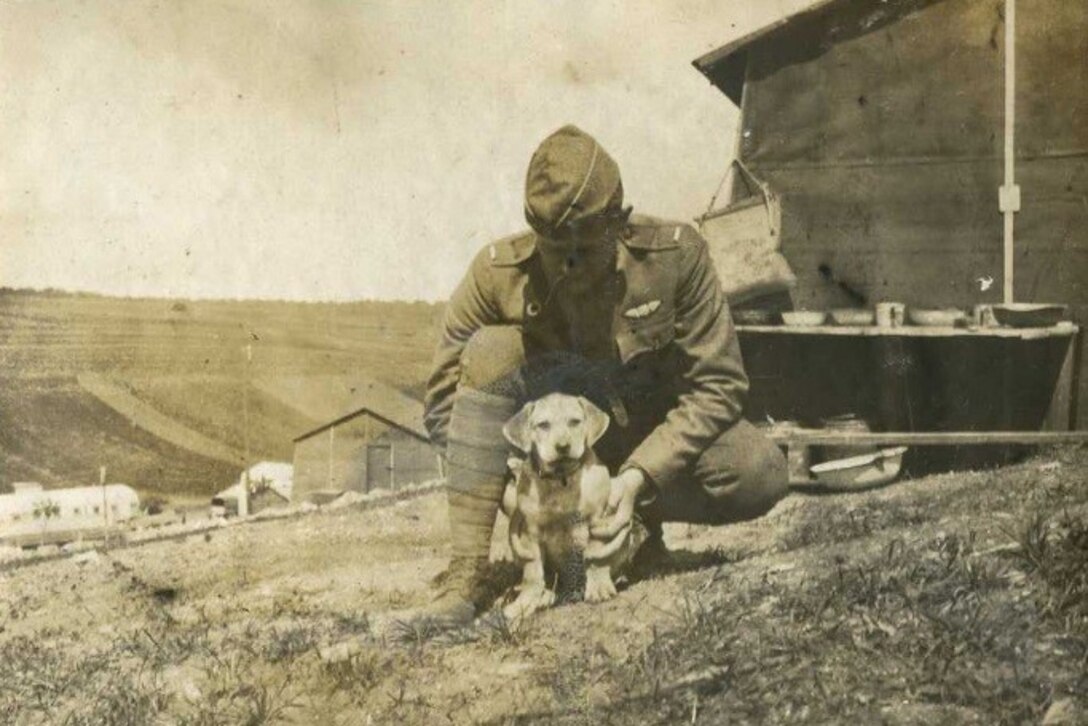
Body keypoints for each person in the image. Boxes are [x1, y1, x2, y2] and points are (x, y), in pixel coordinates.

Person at [420, 124, 788, 626]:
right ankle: (466, 574)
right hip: (551, 454)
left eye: (586, 252)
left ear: (620, 222)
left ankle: (632, 529)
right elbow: (445, 400)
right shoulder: (496, 274)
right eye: (556, 253)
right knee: (489, 350)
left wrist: (637, 479)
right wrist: (510, 492)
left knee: (757, 469)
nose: (571, 269)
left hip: (646, 436)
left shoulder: (677, 256)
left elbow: (719, 384)